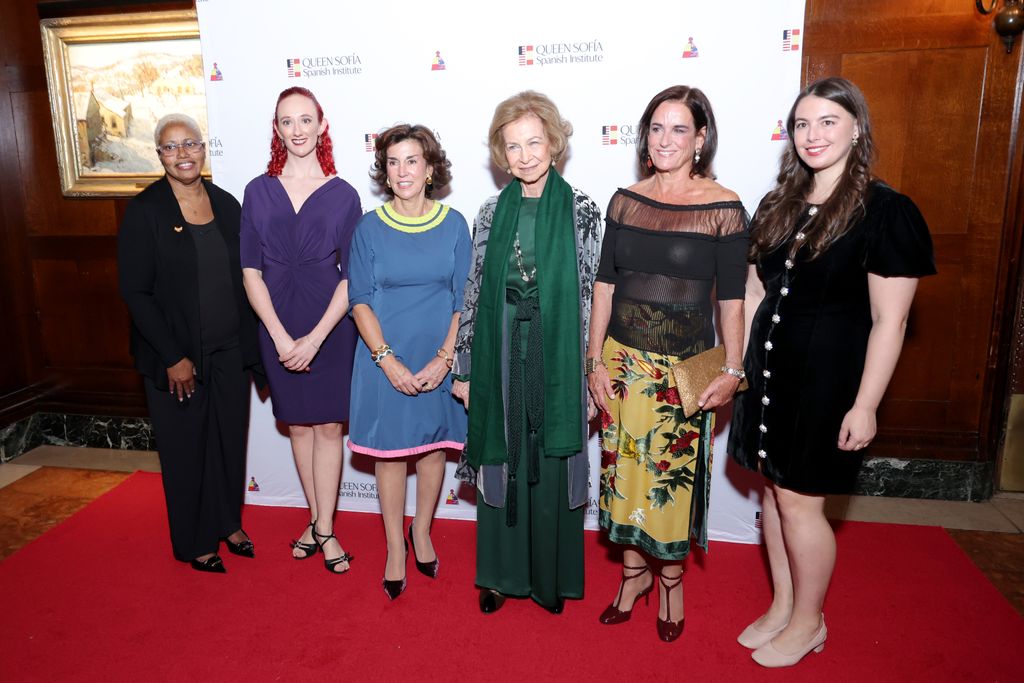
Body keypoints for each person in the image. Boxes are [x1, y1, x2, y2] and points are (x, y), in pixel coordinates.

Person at [729, 77, 936, 667]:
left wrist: (866, 404)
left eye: (827, 122)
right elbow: (756, 286)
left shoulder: (885, 212)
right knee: (773, 494)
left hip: (825, 384)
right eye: (802, 124)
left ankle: (809, 621)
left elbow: (889, 322)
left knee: (800, 502)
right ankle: (784, 605)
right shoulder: (781, 204)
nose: (812, 135)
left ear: (855, 128)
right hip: (767, 376)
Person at [587, 85, 748, 641]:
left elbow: (732, 299)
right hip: (622, 365)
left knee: (672, 482)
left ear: (701, 138)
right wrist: (593, 361)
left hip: (686, 370)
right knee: (623, 476)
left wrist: (732, 371)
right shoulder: (625, 201)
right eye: (656, 128)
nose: (665, 140)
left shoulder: (723, 208)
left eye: (680, 129)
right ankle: (633, 576)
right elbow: (605, 286)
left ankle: (672, 582)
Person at [452, 91, 603, 615]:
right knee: (503, 456)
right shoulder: (490, 212)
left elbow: (590, 299)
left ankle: (550, 579)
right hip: (499, 351)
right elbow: (473, 290)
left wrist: (589, 379)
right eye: (512, 146)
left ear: (554, 143)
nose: (525, 155)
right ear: (501, 152)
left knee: (550, 462)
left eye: (534, 142)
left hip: (557, 354)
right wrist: (464, 369)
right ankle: (500, 575)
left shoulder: (583, 210)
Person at [118, 113, 264, 573]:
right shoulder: (146, 211)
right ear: (158, 155)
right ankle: (194, 539)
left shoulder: (227, 204)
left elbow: (246, 279)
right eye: (170, 146)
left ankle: (227, 522)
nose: (182, 154)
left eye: (190, 144)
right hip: (177, 358)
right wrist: (172, 357)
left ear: (204, 148)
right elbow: (136, 293)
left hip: (229, 353)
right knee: (186, 451)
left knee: (227, 443)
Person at [241, 87, 362, 574]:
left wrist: (313, 338)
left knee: (329, 427)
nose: (297, 130)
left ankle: (324, 529)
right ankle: (318, 521)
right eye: (286, 121)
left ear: (322, 124)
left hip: (329, 327)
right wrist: (279, 336)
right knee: (299, 429)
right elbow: (251, 271)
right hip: (276, 325)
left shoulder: (344, 193)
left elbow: (353, 277)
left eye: (305, 120)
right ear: (276, 128)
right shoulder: (257, 189)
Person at [348, 124, 471, 600]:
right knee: (391, 455)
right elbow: (359, 301)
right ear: (385, 170)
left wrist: (445, 359)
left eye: (412, 160)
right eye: (394, 162)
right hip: (384, 359)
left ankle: (421, 532)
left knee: (434, 447)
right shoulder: (369, 227)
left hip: (438, 355)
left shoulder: (455, 223)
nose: (402, 171)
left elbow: (465, 299)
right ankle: (394, 548)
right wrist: (387, 360)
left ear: (430, 168)